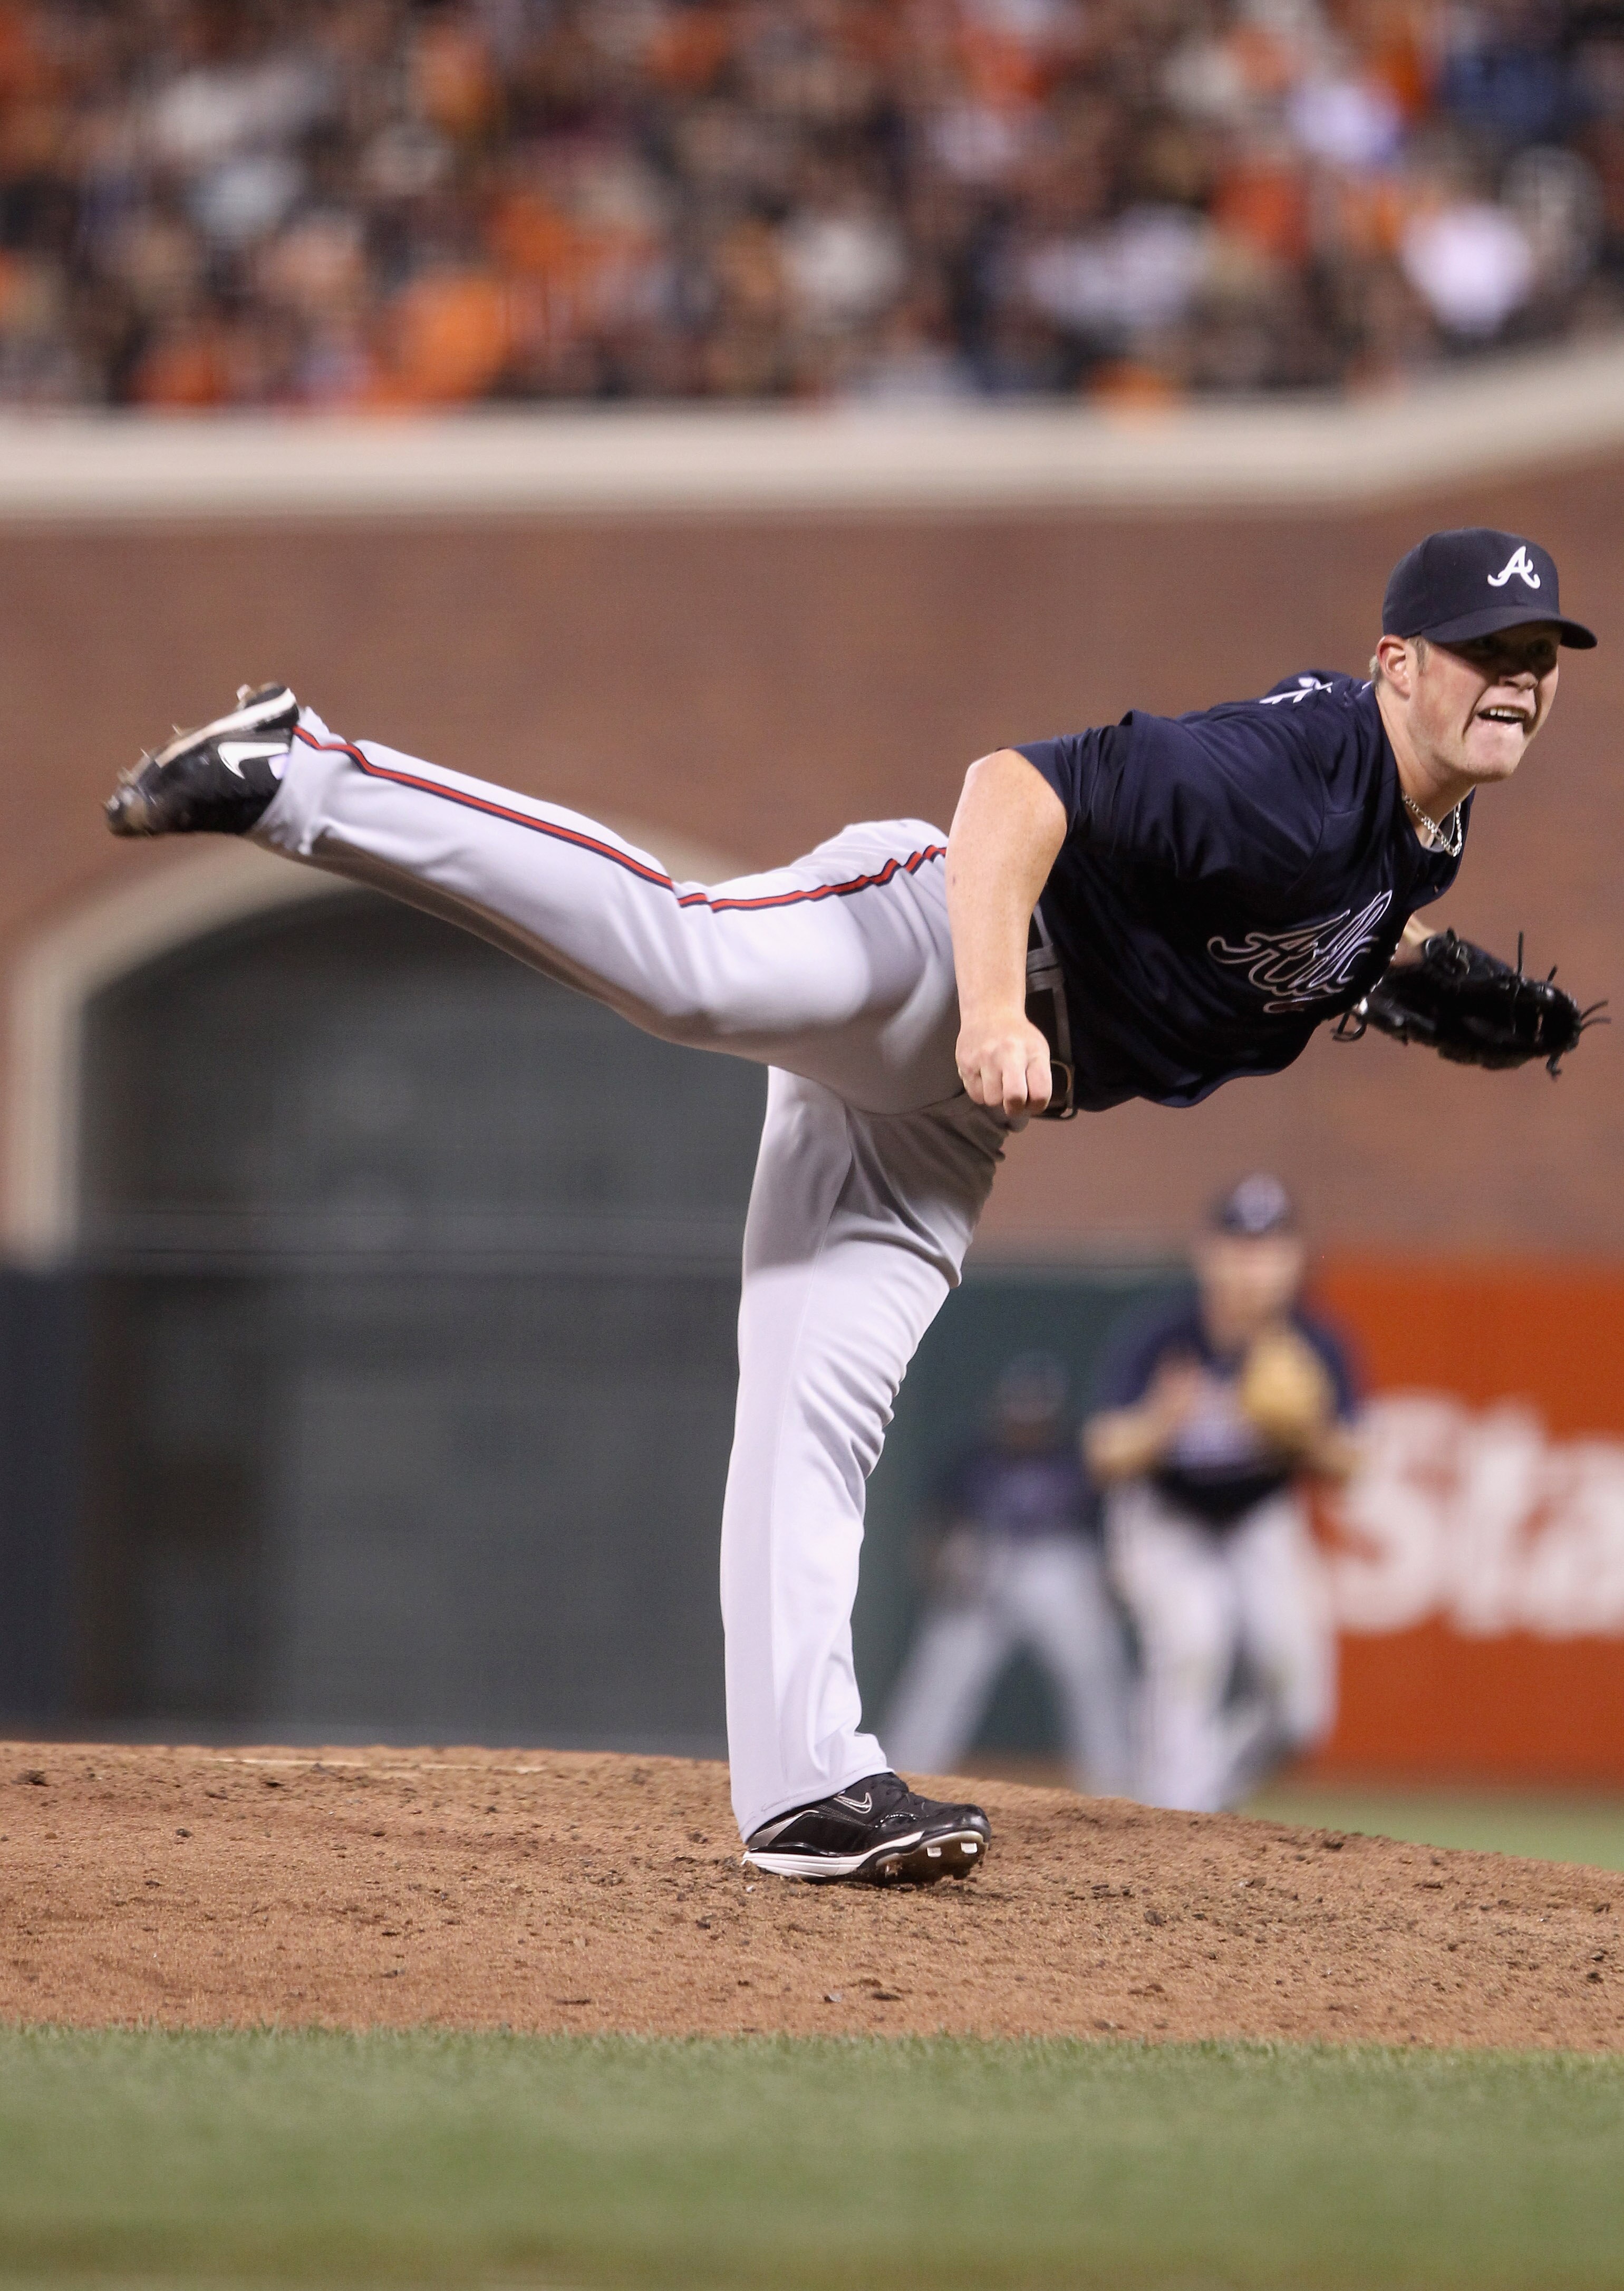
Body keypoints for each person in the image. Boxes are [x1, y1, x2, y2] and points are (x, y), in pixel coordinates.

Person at [103, 524, 1594, 1883]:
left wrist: (1390, 974)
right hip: (931, 946)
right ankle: (304, 769)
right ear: (1398, 662)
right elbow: (1015, 790)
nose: (1519, 678)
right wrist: (991, 1008)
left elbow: (1271, 916)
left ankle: (805, 1788)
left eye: (1539, 655)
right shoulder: (1296, 768)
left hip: (960, 1114)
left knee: (817, 1406)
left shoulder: (1423, 829)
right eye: (1487, 650)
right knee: (689, 962)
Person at [1085, 1176, 1358, 1813]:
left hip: (1259, 1516)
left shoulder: (1316, 1343)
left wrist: (1305, 1434)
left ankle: (1198, 1803)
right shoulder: (1165, 1335)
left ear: (1293, 1259)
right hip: (1166, 1514)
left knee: (1300, 1713)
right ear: (1207, 1254)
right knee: (1192, 1639)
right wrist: (1159, 1424)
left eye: (1268, 1249)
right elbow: (1101, 1453)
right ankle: (1173, 1811)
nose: (1252, 1266)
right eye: (1239, 1247)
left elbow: (1351, 1464)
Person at [883, 1353, 1133, 1796]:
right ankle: (903, 1775)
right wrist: (942, 1567)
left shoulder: (1076, 1458)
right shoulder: (973, 1456)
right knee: (942, 1672)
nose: (1026, 1427)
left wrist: (1110, 1578)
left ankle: (1117, 1786)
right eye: (1020, 1415)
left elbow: (1110, 1529)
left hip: (1060, 1565)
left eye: (1037, 1416)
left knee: (1094, 1671)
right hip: (987, 1563)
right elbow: (935, 1530)